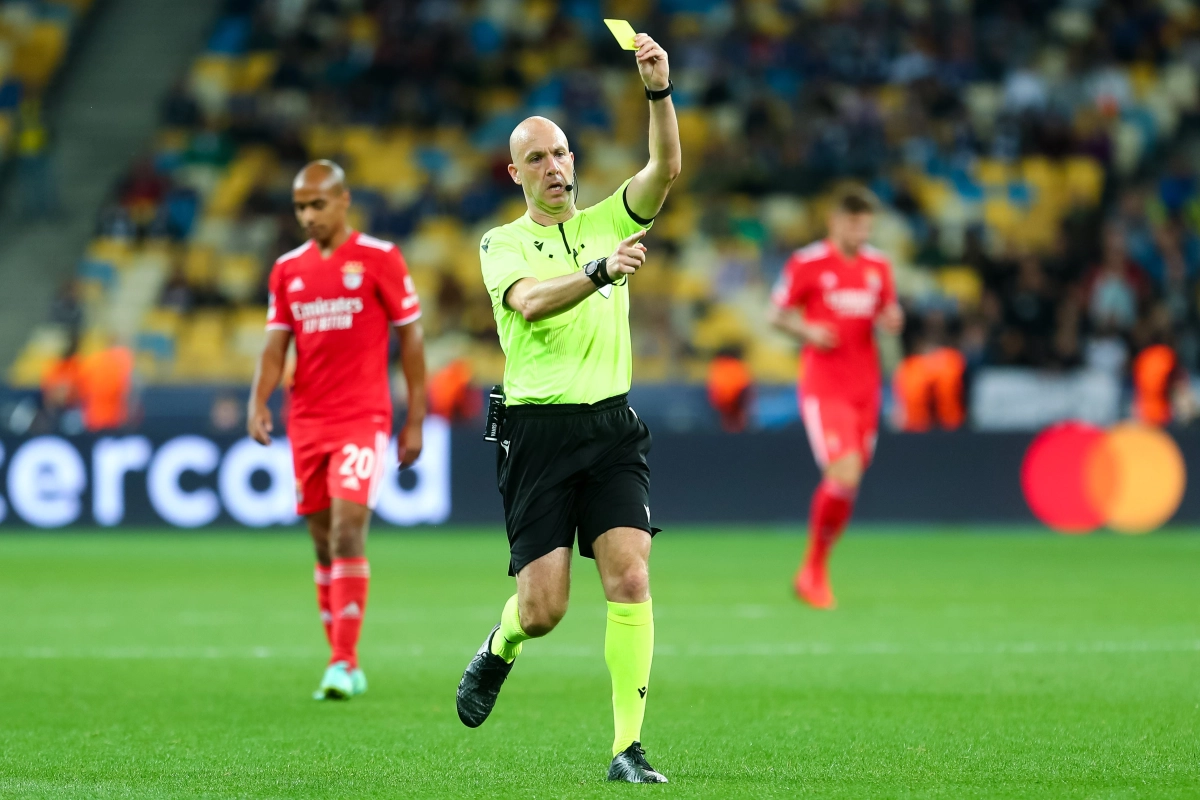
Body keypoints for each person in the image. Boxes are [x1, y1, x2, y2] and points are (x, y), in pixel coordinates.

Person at [455, 32, 680, 784]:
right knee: (544, 607)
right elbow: (534, 304)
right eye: (538, 159)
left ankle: (628, 746)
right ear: (513, 171)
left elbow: (666, 168)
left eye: (562, 154)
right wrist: (597, 271)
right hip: (537, 433)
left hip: (611, 426)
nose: (555, 168)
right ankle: (499, 648)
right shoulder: (501, 244)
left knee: (630, 576)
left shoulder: (608, 219)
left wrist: (657, 90)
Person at [248, 160, 427, 700]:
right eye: (300, 206)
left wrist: (415, 417)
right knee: (323, 543)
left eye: (317, 204)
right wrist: (258, 400)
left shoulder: (380, 259)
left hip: (363, 418)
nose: (307, 215)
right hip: (306, 421)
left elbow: (412, 342)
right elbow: (276, 344)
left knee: (350, 529)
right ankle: (340, 657)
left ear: (344, 200)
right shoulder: (286, 270)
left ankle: (343, 662)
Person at [765, 185, 904, 609]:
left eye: (866, 224)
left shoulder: (878, 265)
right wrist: (807, 331)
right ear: (835, 221)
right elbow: (776, 314)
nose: (860, 231)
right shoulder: (808, 263)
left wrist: (891, 318)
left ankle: (813, 571)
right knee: (843, 472)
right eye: (853, 222)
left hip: (867, 389)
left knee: (850, 481)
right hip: (825, 388)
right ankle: (814, 571)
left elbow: (886, 312)